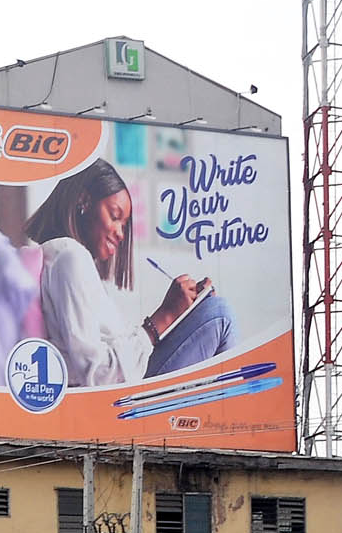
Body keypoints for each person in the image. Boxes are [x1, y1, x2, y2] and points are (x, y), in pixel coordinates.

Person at [23, 158, 233, 386]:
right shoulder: (71, 257)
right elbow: (95, 374)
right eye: (115, 217)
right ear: (83, 200)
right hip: (120, 401)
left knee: (211, 312)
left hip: (127, 385)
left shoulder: (63, 258)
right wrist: (164, 317)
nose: (121, 234)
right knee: (218, 314)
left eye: (124, 225)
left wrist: (180, 314)